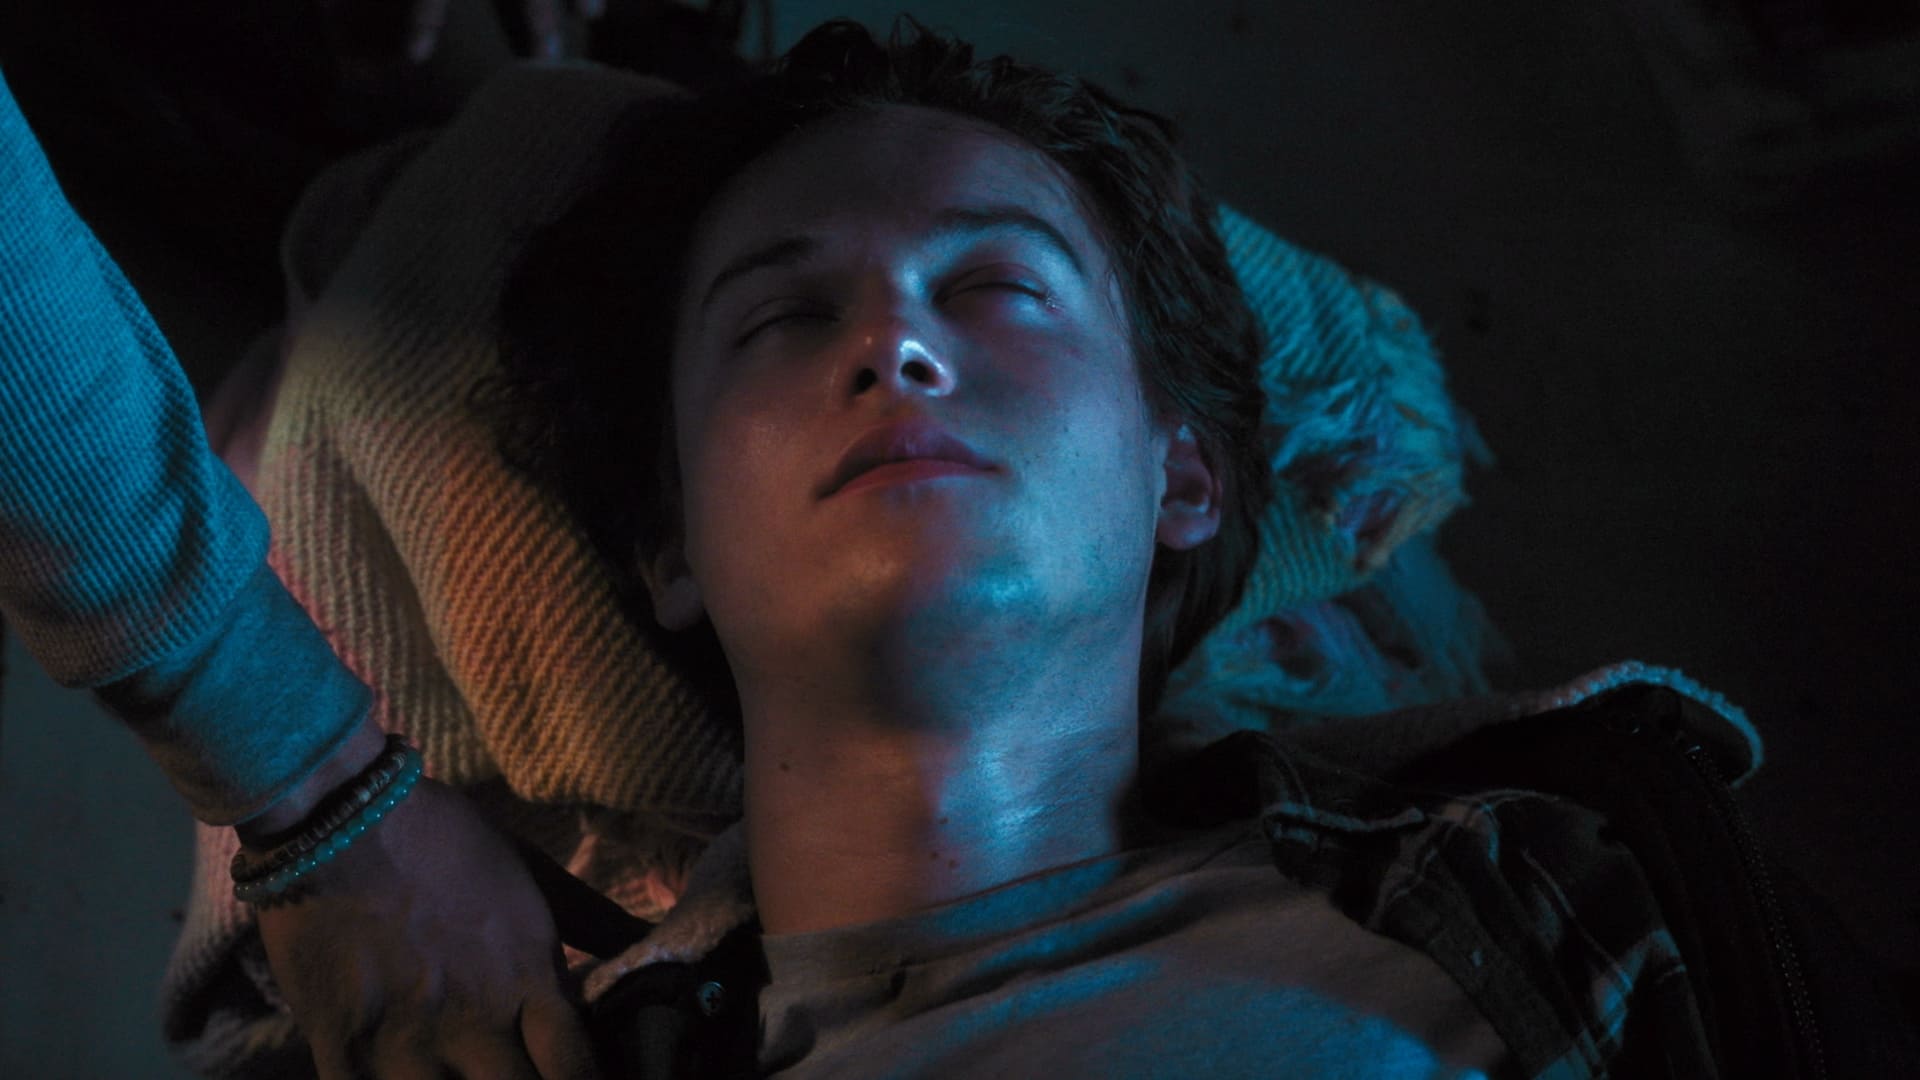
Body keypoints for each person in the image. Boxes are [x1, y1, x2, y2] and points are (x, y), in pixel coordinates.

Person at [2, 16, 1913, 1079]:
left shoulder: (1596, 890)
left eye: (998, 285)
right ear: (670, 551)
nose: (896, 344)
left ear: (1183, 481)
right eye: (782, 315)